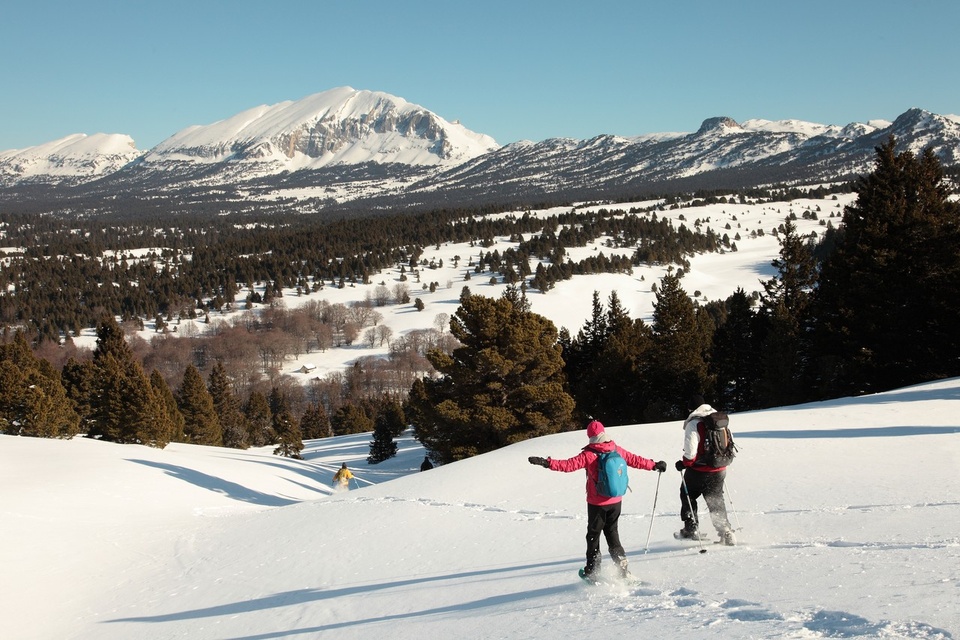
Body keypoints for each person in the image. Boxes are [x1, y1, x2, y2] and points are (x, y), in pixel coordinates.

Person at [528, 420, 667, 581]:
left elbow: (568, 465)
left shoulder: (589, 454)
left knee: (593, 536)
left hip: (597, 503)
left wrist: (547, 463)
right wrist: (654, 465)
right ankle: (623, 569)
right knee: (612, 533)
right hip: (616, 501)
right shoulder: (616, 449)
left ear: (590, 436)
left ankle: (592, 571)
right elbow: (635, 460)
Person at [675, 395, 736, 545]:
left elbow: (690, 450)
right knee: (715, 500)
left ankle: (691, 529)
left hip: (700, 470)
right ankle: (726, 532)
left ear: (691, 408)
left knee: (687, 495)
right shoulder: (719, 420)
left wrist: (685, 463)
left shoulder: (694, 423)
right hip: (720, 467)